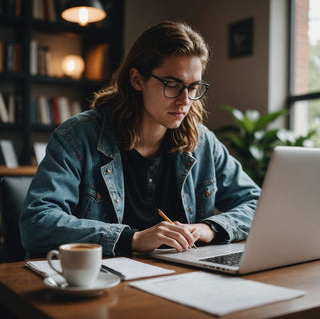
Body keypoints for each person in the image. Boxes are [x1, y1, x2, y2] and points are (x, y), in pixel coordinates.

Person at [20, 21, 261, 258]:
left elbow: (257, 204)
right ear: (137, 80)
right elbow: (37, 222)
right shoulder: (77, 137)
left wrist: (210, 228)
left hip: (182, 280)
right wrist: (132, 239)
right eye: (173, 85)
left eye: (193, 87)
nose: (185, 100)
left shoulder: (202, 142)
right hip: (105, 283)